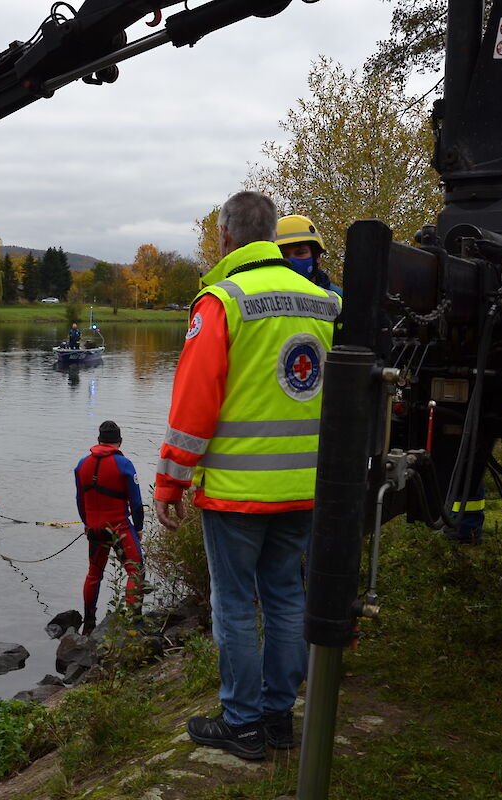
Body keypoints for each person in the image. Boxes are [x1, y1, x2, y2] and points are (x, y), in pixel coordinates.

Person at [154, 191, 339, 761]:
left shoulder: (222, 300)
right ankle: (279, 718)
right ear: (275, 236)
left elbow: (194, 402)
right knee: (286, 595)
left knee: (234, 603)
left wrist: (170, 481)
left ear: (226, 237)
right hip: (306, 487)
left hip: (237, 493)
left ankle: (241, 722)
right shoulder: (325, 302)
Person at [74, 420, 145, 636]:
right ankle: (135, 623)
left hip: (94, 528)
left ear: (98, 441)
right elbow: (136, 503)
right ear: (119, 442)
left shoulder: (81, 465)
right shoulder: (124, 464)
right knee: (135, 570)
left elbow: (79, 500)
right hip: (119, 528)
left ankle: (89, 621)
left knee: (94, 574)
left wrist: (87, 524)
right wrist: (139, 528)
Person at [275, 214, 343, 299]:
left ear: (317, 256)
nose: (291, 261)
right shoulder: (265, 295)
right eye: (283, 255)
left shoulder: (339, 299)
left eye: (300, 253)